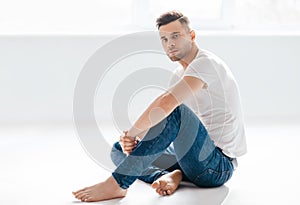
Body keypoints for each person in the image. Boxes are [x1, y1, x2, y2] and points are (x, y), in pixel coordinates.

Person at [72, 10, 247, 202]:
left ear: (192, 36)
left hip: (216, 165)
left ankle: (118, 183)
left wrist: (132, 133)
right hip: (190, 157)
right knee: (119, 149)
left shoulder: (206, 64)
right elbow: (168, 126)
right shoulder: (178, 75)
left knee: (175, 111)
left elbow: (167, 104)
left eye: (175, 36)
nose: (169, 44)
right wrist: (132, 141)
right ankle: (167, 176)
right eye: (164, 39)